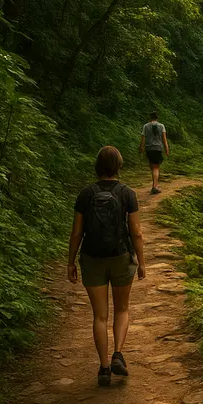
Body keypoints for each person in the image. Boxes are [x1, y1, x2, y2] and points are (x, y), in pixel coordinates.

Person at [67, 146, 146, 387]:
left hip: (92, 258)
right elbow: (136, 233)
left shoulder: (85, 194)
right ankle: (118, 354)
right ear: (119, 166)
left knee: (99, 316)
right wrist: (142, 262)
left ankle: (103, 368)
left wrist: (70, 261)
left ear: (97, 166)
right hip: (121, 256)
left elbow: (77, 232)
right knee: (122, 309)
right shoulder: (127, 194)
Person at [139, 111, 169, 194]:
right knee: (156, 168)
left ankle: (155, 185)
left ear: (150, 117)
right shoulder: (161, 126)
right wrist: (166, 148)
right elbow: (164, 139)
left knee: (153, 167)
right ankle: (155, 187)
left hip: (149, 148)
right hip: (158, 148)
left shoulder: (146, 126)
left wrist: (141, 147)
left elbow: (143, 138)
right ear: (157, 117)